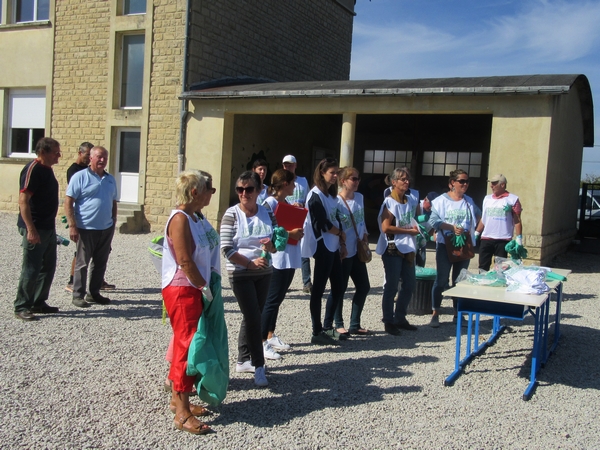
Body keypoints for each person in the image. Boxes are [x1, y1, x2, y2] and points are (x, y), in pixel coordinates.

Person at [162, 170, 217, 435]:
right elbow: (185, 261)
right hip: (182, 290)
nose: (211, 193)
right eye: (208, 188)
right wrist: (202, 287)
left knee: (190, 344)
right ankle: (181, 413)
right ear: (195, 191)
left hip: (191, 289)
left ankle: (178, 400)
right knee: (186, 347)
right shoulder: (181, 218)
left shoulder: (194, 217)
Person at [220, 171, 277, 387]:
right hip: (241, 273)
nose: (244, 193)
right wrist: (249, 263)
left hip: (264, 273)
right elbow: (226, 248)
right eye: (240, 190)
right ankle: (259, 365)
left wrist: (271, 247)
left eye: (249, 189)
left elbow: (277, 240)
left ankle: (243, 359)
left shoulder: (267, 211)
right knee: (254, 317)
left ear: (259, 190)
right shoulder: (231, 215)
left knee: (253, 314)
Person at [14, 137, 62, 321]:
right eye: (55, 152)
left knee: (48, 267)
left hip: (48, 227)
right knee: (31, 268)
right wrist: (30, 229)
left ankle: (38, 301)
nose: (59, 156)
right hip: (35, 227)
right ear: (43, 152)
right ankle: (22, 306)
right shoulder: (32, 170)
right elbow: (23, 200)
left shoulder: (47, 170)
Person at [301, 158, 347, 345]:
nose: (335, 176)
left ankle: (328, 326)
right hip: (322, 245)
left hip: (334, 245)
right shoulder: (315, 195)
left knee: (339, 286)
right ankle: (316, 330)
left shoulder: (331, 195)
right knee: (318, 289)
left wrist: (342, 241)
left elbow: (337, 217)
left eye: (337, 172)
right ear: (322, 172)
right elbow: (322, 223)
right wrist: (340, 233)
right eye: (332, 172)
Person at [65, 146, 118, 308]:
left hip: (105, 228)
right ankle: (78, 294)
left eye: (105, 158)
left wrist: (113, 221)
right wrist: (72, 226)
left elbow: (114, 201)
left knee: (100, 262)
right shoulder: (79, 177)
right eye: (99, 157)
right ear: (91, 158)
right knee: (82, 263)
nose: (102, 160)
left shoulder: (110, 179)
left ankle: (94, 293)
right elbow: (69, 202)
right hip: (85, 228)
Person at [260, 169, 304, 358]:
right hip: (276, 257)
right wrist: (290, 234)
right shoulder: (268, 203)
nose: (295, 186)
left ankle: (270, 334)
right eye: (293, 182)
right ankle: (260, 341)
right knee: (271, 299)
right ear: (284, 184)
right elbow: (267, 229)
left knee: (278, 298)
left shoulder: (284, 203)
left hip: (289, 255)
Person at [428, 169, 479, 327]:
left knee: (459, 280)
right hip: (445, 245)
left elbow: (481, 216)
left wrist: (476, 233)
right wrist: (451, 226)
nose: (465, 184)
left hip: (464, 245)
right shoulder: (441, 201)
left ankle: (458, 313)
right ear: (452, 184)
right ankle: (436, 312)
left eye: (467, 181)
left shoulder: (469, 201)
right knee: (441, 280)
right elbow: (433, 221)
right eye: (461, 181)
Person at [376, 167, 421, 335]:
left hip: (408, 246)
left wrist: (416, 228)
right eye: (402, 179)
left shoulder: (409, 201)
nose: (406, 181)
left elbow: (410, 219)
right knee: (392, 286)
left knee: (409, 284)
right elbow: (386, 227)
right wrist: (409, 231)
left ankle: (400, 317)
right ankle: (388, 320)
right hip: (393, 247)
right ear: (393, 182)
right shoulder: (389, 202)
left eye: (407, 178)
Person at [329, 167, 371, 336]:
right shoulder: (336, 202)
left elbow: (361, 220)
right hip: (344, 251)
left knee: (364, 286)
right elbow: (336, 225)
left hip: (358, 248)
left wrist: (366, 234)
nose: (357, 182)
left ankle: (355, 323)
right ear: (343, 181)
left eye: (358, 178)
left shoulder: (360, 197)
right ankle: (338, 323)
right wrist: (341, 244)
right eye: (353, 179)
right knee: (341, 287)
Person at [476, 174, 523, 271]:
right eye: (491, 183)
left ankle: (498, 283)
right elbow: (484, 218)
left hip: (503, 239)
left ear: (502, 185)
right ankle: (482, 283)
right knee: (483, 266)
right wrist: (476, 233)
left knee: (501, 268)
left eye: (494, 183)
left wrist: (519, 238)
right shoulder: (487, 199)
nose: (491, 186)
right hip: (486, 238)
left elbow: (517, 220)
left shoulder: (513, 199)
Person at [282, 154, 312, 294]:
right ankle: (284, 281)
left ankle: (307, 282)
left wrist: (301, 205)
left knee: (303, 251)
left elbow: (307, 200)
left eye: (290, 165)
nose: (288, 167)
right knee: (285, 249)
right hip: (286, 219)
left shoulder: (303, 181)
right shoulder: (280, 180)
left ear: (295, 165)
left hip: (300, 219)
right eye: (286, 165)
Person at [415, 191, 439, 267]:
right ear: (425, 200)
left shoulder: (434, 212)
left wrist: (432, 234)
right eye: (431, 205)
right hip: (413, 239)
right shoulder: (417, 206)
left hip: (423, 242)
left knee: (422, 261)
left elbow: (433, 227)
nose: (431, 208)